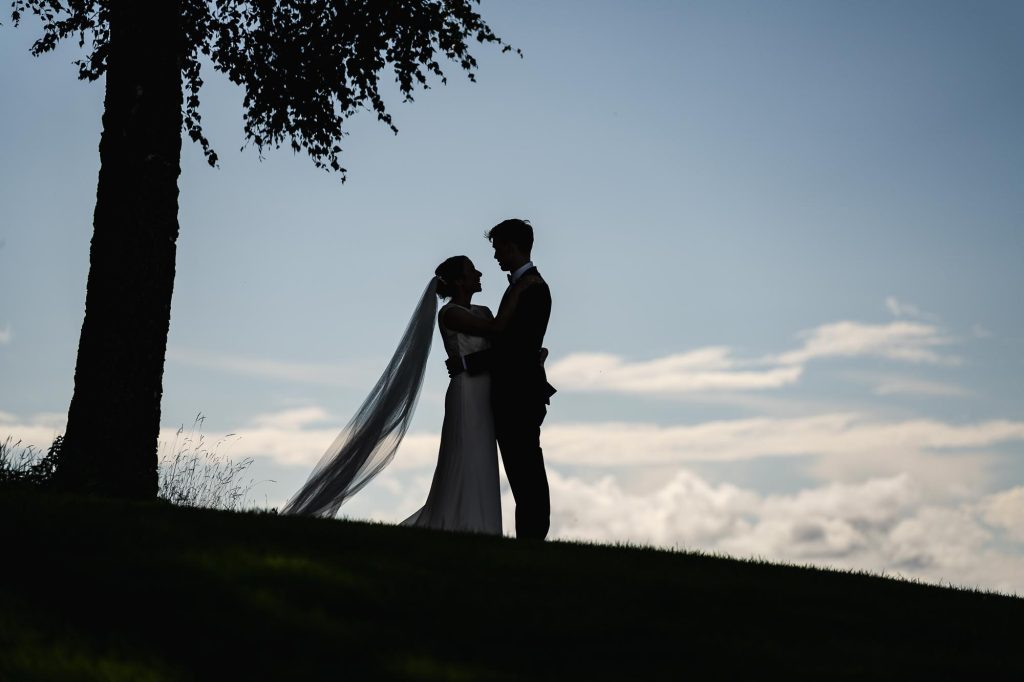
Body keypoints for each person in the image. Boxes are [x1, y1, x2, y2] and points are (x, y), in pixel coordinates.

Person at [282, 233, 550, 537]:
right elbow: (497, 329)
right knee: (466, 456)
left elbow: (502, 345)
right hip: (466, 393)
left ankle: (482, 527)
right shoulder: (451, 314)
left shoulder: (484, 310)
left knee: (484, 460)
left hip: (486, 394)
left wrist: (532, 356)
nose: (479, 273)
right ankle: (459, 522)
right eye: (471, 270)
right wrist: (519, 289)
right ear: (459, 281)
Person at [447, 219, 556, 540]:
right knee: (521, 472)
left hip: (519, 394)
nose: (495, 255)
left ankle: (532, 538)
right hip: (512, 392)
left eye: (497, 248)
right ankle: (529, 538)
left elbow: (515, 347)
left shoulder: (533, 288)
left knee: (526, 471)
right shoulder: (521, 287)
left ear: (511, 246)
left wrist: (469, 362)